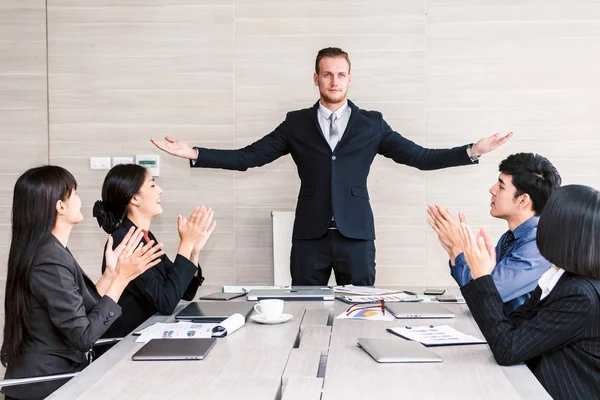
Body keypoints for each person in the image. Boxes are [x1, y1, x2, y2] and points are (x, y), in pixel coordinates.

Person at [151, 47, 512, 286]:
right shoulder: (295, 123)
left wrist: (472, 150)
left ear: (350, 79)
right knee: (304, 313)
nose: (334, 81)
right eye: (327, 74)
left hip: (357, 237)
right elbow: (249, 157)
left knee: (358, 315)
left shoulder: (372, 124)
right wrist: (194, 152)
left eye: (341, 75)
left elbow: (419, 157)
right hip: (309, 237)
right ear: (316, 78)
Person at [1, 166, 163, 400]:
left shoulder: (51, 250)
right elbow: (84, 337)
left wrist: (110, 273)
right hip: (45, 387)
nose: (80, 200)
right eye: (74, 194)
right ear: (60, 206)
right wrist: (122, 278)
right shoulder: (48, 259)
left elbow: (82, 311)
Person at [458, 185, 600, 400]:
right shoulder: (561, 278)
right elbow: (510, 326)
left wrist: (482, 277)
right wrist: (485, 273)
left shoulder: (579, 295)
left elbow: (508, 349)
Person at [93, 164, 215, 338]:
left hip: (146, 333)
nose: (160, 190)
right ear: (134, 198)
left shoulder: (143, 235)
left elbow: (185, 291)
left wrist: (193, 251)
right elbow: (166, 302)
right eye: (152, 185)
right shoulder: (125, 241)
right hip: (124, 343)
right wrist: (185, 244)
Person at [428, 153, 561, 312]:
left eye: (501, 186)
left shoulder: (537, 246)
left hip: (515, 334)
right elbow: (478, 283)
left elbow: (484, 295)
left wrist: (458, 248)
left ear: (522, 200)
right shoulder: (512, 236)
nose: (492, 190)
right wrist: (454, 250)